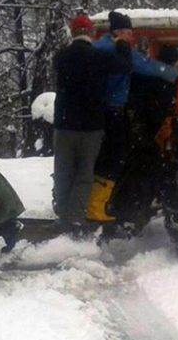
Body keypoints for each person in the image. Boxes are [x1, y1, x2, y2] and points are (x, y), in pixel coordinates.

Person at [51, 13, 132, 231]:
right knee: (84, 173)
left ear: (72, 32)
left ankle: (62, 213)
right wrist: (123, 44)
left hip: (64, 125)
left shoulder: (61, 57)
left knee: (63, 170)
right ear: (93, 33)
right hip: (91, 126)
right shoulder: (98, 57)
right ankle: (76, 218)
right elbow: (125, 66)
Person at [93, 11, 178, 181]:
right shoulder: (118, 50)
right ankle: (103, 197)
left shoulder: (96, 46)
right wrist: (175, 73)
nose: (132, 38)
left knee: (97, 151)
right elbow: (147, 65)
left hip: (93, 108)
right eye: (129, 33)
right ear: (118, 32)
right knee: (115, 153)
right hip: (112, 108)